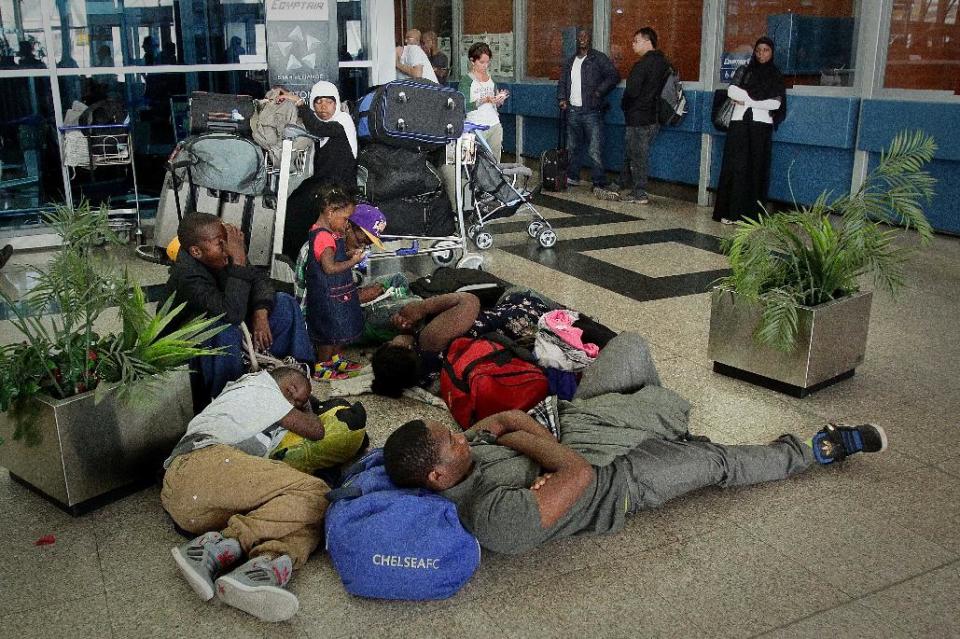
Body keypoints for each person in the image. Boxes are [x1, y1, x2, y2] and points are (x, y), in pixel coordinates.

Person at [382, 332, 888, 555]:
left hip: (579, 425)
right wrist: (536, 444)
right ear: (437, 477)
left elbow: (514, 420)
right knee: (715, 463)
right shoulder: (493, 518)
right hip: (619, 479)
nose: (457, 432)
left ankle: (664, 428)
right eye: (448, 439)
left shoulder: (465, 455)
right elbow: (579, 476)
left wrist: (535, 445)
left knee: (631, 349)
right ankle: (816, 450)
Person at [162, 366, 329, 622]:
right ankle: (215, 547)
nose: (299, 405)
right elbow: (317, 431)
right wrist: (307, 407)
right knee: (317, 492)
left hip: (199, 501)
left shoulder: (244, 392)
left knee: (308, 515)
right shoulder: (263, 389)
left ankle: (264, 568)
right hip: (200, 464)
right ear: (292, 388)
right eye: (301, 398)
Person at [163, 213, 314, 403]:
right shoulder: (188, 277)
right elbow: (230, 314)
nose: (228, 247)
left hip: (235, 326)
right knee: (224, 329)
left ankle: (295, 373)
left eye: (227, 240)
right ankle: (231, 398)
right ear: (196, 251)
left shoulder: (222, 254)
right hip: (199, 348)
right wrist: (239, 261)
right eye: (220, 243)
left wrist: (261, 312)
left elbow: (260, 280)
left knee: (284, 302)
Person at [371, 289, 570, 397]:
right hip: (526, 318)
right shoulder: (430, 340)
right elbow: (469, 301)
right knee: (516, 292)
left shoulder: (422, 374)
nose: (392, 338)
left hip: (521, 341)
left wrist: (407, 329)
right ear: (404, 348)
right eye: (391, 342)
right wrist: (423, 308)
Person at [276, 80, 358, 260]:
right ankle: (294, 255)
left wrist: (299, 102)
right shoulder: (324, 131)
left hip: (338, 187)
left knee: (298, 208)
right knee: (295, 203)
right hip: (326, 183)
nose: (323, 107)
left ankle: (293, 255)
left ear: (336, 103)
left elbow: (317, 127)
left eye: (329, 102)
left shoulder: (342, 120)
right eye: (318, 102)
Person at [712, 36, 787, 225]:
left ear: (772, 53)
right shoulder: (745, 71)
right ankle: (729, 212)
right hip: (739, 125)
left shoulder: (775, 75)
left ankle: (748, 215)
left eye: (766, 50)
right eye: (759, 50)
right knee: (735, 167)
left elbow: (775, 103)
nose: (761, 54)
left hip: (760, 128)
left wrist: (747, 100)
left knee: (755, 168)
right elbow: (732, 91)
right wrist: (758, 102)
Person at [303, 185, 371, 380]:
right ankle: (322, 367)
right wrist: (353, 261)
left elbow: (335, 255)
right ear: (330, 212)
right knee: (327, 331)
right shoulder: (323, 237)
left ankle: (335, 359)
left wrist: (349, 254)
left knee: (338, 327)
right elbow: (329, 268)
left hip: (337, 292)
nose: (346, 224)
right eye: (345, 219)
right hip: (327, 294)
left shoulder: (327, 233)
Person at [557, 28, 619, 192]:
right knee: (572, 147)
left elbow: (613, 76)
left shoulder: (598, 58)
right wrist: (562, 99)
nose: (582, 39)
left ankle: (598, 181)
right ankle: (573, 176)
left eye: (585, 36)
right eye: (579, 36)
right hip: (572, 111)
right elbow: (563, 81)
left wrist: (599, 92)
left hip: (592, 111)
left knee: (594, 149)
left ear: (590, 38)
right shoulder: (570, 61)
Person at [619, 27, 670, 206]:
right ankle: (623, 183)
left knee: (637, 156)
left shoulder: (642, 65)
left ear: (648, 41)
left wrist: (624, 105)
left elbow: (632, 90)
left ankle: (639, 193)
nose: (633, 45)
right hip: (655, 117)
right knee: (633, 153)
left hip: (638, 117)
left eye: (636, 41)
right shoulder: (664, 63)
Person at [459, 42, 509, 162]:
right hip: (473, 127)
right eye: (482, 62)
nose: (485, 66)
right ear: (472, 61)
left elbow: (495, 103)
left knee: (494, 163)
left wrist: (499, 100)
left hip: (494, 124)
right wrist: (484, 100)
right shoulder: (466, 81)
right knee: (468, 162)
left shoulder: (491, 79)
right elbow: (463, 106)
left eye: (488, 62)